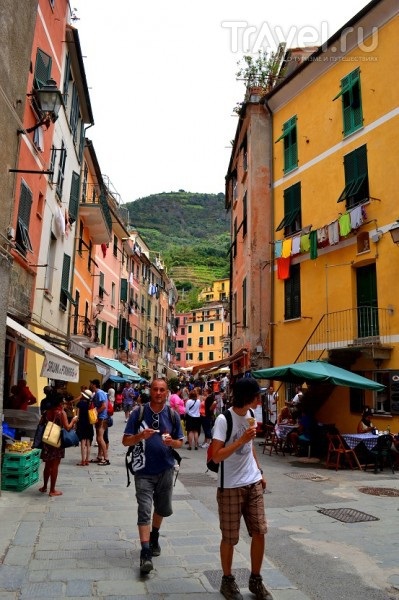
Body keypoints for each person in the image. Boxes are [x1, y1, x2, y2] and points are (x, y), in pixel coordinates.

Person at [212, 378, 272, 600]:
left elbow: (250, 447)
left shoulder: (251, 415)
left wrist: (259, 471)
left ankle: (256, 580)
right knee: (230, 538)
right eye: (257, 396)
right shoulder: (223, 419)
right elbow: (216, 455)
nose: (260, 400)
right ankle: (227, 580)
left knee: (260, 531)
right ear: (248, 396)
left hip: (252, 481)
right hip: (230, 486)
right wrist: (240, 441)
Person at [122, 378, 184, 574]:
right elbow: (125, 441)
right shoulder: (138, 413)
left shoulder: (173, 415)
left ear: (167, 393)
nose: (158, 393)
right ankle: (145, 552)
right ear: (150, 391)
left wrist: (172, 443)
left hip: (166, 469)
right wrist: (141, 436)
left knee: (162, 508)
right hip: (143, 471)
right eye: (155, 389)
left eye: (162, 390)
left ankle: (155, 535)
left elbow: (180, 442)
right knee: (144, 510)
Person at [39, 392, 78, 496]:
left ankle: (44, 487)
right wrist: (73, 421)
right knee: (55, 466)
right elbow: (67, 427)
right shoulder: (61, 413)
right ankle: (52, 490)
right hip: (56, 441)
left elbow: (41, 423)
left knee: (47, 465)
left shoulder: (47, 412)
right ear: (60, 402)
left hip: (47, 441)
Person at [89, 379, 110, 465]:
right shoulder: (99, 393)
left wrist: (95, 413)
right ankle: (99, 456)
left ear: (94, 385)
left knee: (100, 438)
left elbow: (104, 406)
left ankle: (106, 458)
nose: (90, 386)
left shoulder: (99, 393)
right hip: (101, 418)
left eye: (91, 384)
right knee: (99, 438)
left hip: (102, 418)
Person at [75, 388, 94, 466]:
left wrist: (75, 423)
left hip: (82, 424)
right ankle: (87, 460)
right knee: (88, 443)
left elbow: (77, 415)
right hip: (89, 424)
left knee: (83, 442)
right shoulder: (90, 404)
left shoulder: (80, 404)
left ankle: (83, 460)